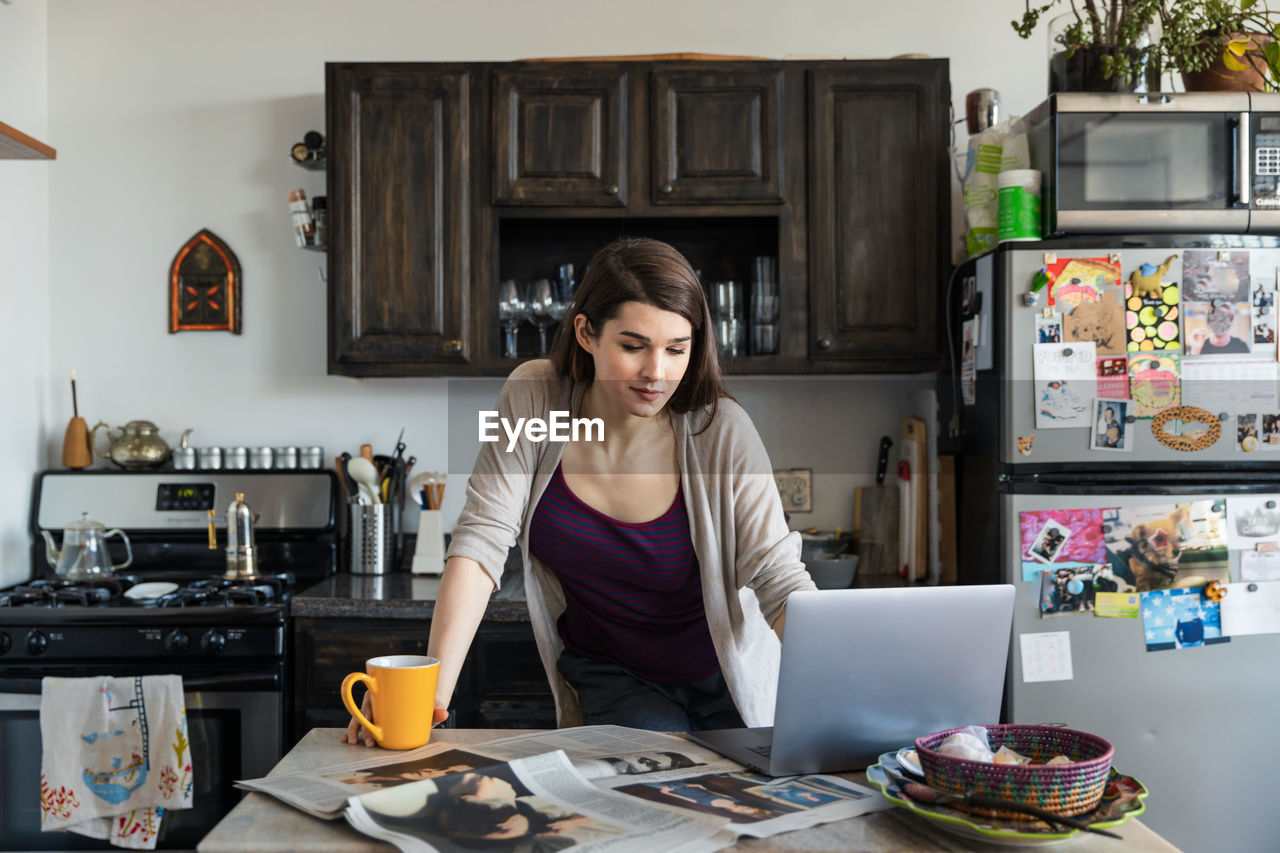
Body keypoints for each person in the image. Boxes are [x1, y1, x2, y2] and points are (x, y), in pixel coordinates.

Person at [345, 237, 815, 743]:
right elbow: (482, 539)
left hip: (727, 676)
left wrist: (849, 690)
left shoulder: (719, 430)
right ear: (587, 333)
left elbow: (778, 578)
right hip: (616, 675)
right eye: (633, 346)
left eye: (677, 349)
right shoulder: (537, 400)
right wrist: (428, 692)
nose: (656, 373)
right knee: (650, 796)